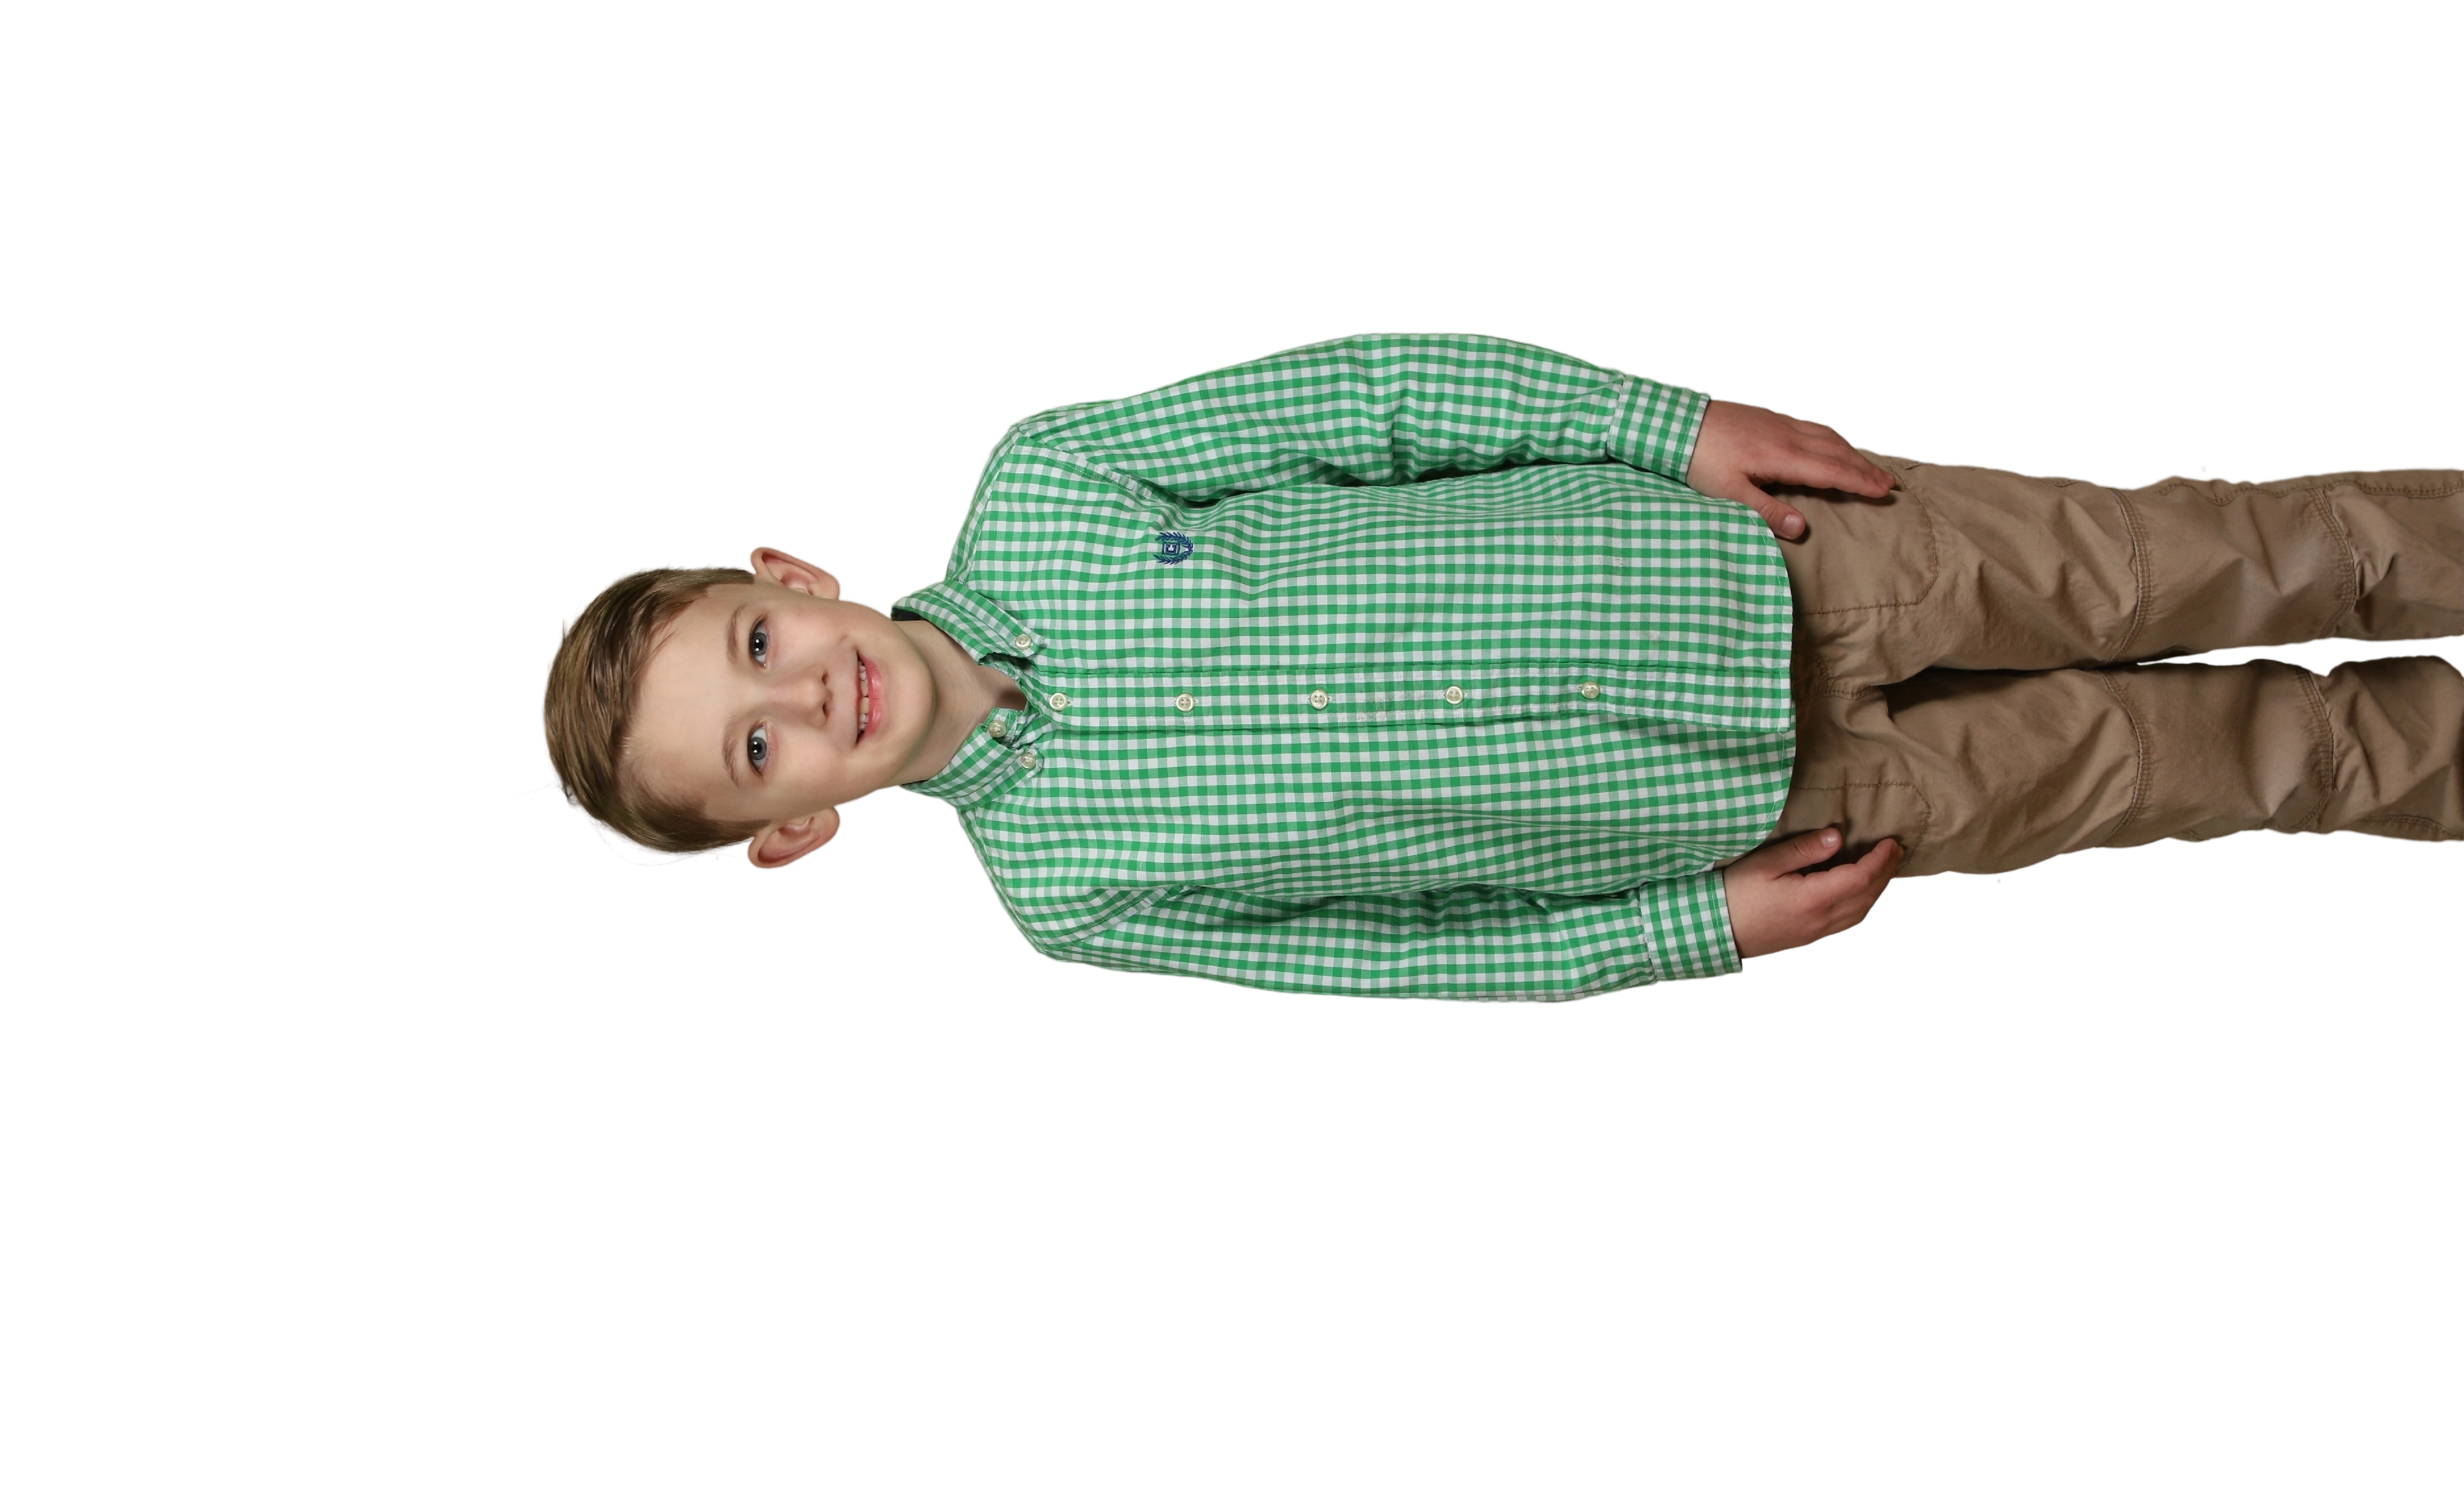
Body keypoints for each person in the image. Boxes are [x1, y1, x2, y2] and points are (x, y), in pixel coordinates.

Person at [535, 331, 2464, 1001]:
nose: (808, 697)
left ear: (788, 573)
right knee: (2249, 764)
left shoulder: (1054, 483)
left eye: (760, 646)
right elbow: (1408, 955)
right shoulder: (1077, 896)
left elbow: (1371, 400)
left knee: (2226, 553)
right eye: (760, 749)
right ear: (791, 835)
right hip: (1789, 813)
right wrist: (1697, 929)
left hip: (1806, 566)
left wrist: (1670, 428)